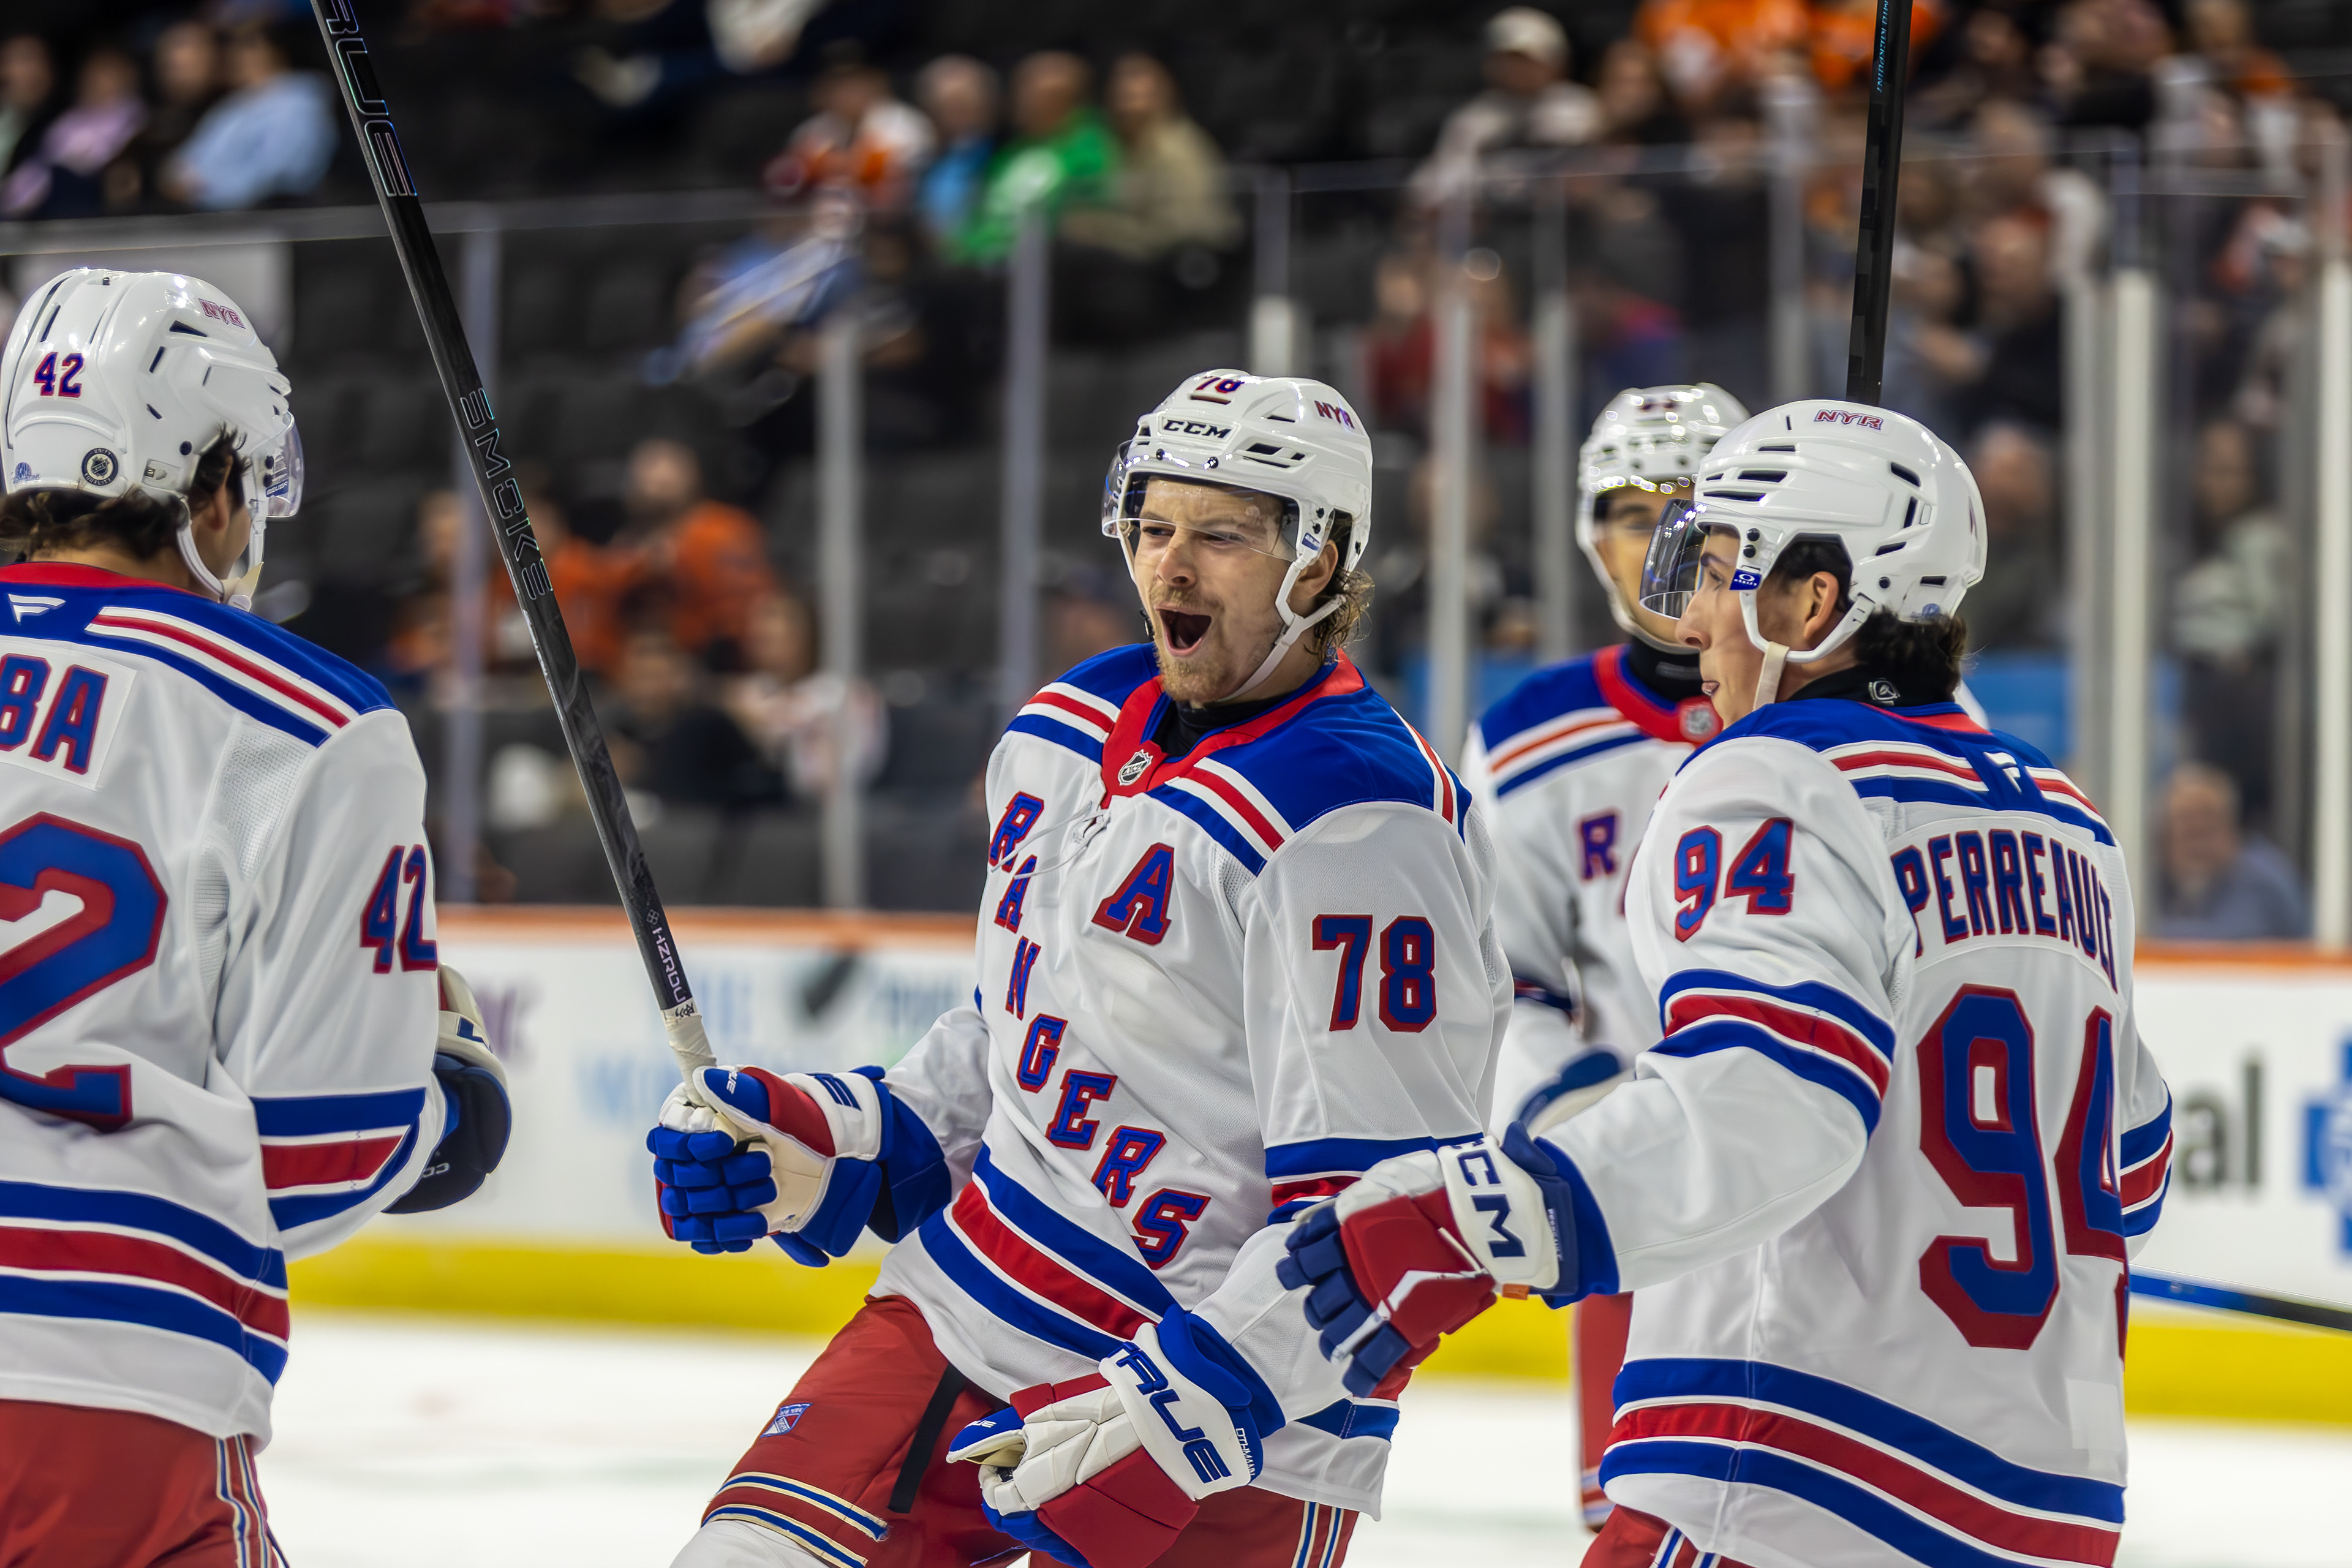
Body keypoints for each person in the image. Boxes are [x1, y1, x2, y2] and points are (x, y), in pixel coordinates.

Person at [1284, 399, 2175, 1567]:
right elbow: (2136, 1155)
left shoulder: (1772, 773)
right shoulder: (2066, 816)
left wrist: (1485, 1215)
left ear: (1814, 601)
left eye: (1716, 570)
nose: (1694, 611)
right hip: (2048, 1501)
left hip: (1795, 1464)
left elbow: (1767, 1100)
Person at [648, 371, 1506, 1568]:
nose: (1172, 568)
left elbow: (1402, 1217)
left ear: (1321, 560)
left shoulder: (1360, 821)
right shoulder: (1064, 726)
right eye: (1154, 527)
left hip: (1230, 1414)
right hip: (971, 1307)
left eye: (1220, 535)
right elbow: (1019, 1023)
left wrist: (1194, 1406)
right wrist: (847, 1131)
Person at [0, 270, 510, 1561]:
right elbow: (321, 1151)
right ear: (209, 480)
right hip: (98, 1368)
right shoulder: (308, 715)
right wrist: (446, 1095)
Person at [1456, 383, 1746, 1532]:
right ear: (1590, 538)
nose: (1663, 540)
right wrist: (1572, 1113)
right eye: (1632, 513)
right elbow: (1495, 977)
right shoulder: (1531, 736)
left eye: (1693, 509)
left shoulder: (1846, 708)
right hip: (1639, 1193)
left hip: (1820, 1185)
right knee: (1641, 1528)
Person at [1411, 7, 1601, 209]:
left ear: (1555, 61)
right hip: (1496, 224)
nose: (1517, 68)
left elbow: (1599, 170)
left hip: (1567, 222)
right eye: (1508, 59)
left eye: (1526, 59)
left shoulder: (1581, 107)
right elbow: (1438, 185)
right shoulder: (1473, 119)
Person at [621, 437, 778, 671]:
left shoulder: (725, 530)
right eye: (648, 472)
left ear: (692, 477)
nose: (658, 482)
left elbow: (747, 604)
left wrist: (681, 562)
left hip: (720, 661)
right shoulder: (628, 543)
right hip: (652, 667)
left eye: (668, 472)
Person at [948, 51, 1116, 266]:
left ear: (1062, 101)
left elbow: (1078, 214)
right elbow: (985, 211)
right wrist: (966, 249)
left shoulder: (1090, 148)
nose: (1019, 101)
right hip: (990, 263)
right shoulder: (1014, 152)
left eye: (1030, 93)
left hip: (1049, 267)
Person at [160, 23, 336, 212]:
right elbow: (183, 162)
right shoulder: (233, 105)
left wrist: (203, 189)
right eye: (233, 45)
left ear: (274, 51)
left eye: (248, 45)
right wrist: (180, 182)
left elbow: (280, 177)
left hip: (270, 222)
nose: (235, 54)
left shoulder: (300, 105)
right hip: (209, 220)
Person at [2155, 763, 2307, 940]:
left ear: (2233, 827)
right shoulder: (2142, 884)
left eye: (2208, 819)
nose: (2198, 830)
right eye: (2187, 824)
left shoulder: (2269, 886)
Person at [915, 55, 998, 246]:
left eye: (964, 104)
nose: (956, 113)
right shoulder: (926, 160)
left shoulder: (1001, 155)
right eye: (946, 105)